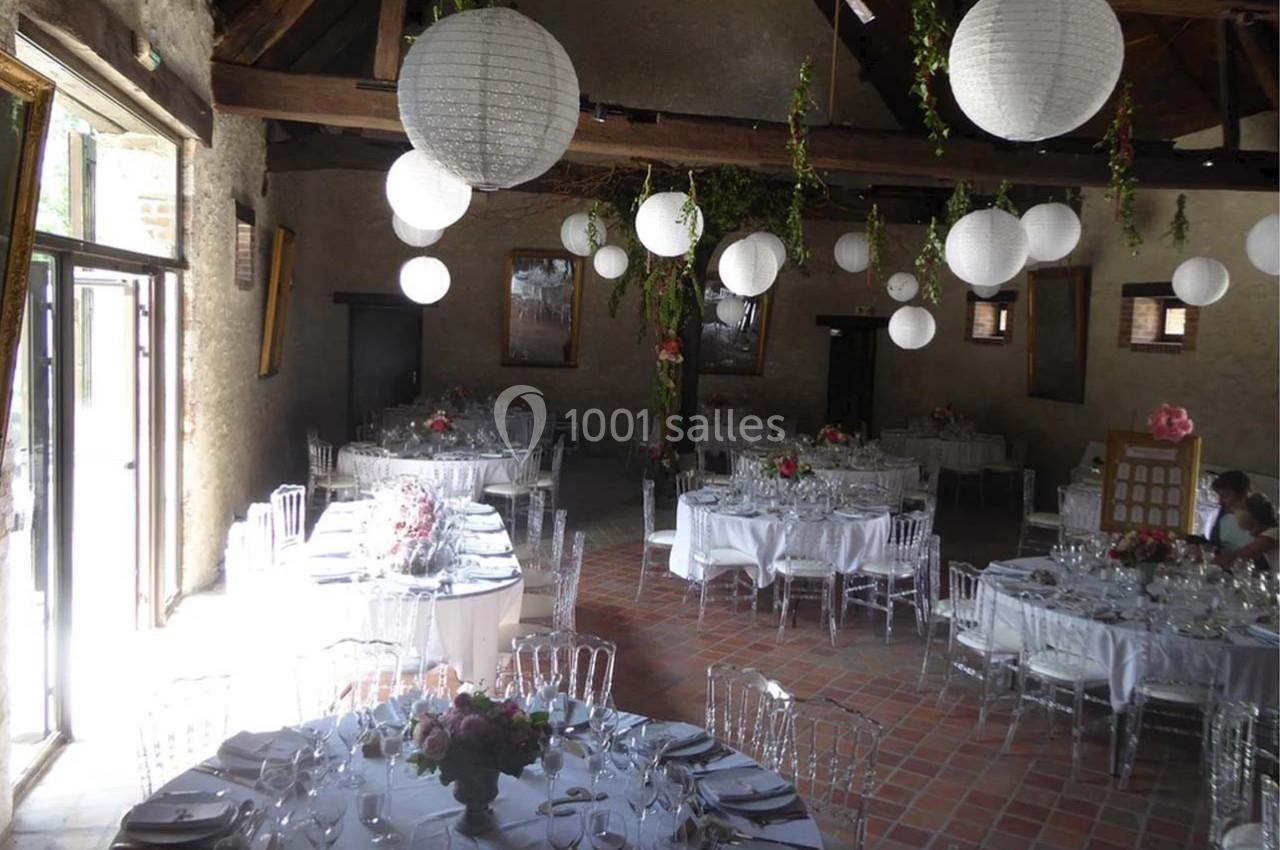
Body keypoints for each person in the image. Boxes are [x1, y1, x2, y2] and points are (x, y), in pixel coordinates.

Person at [1214, 493, 1278, 573]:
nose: (1251, 534)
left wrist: (1208, 560)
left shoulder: (1272, 534)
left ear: (1258, 521)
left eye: (1251, 527)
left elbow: (1240, 555)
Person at [1208, 470, 1253, 552]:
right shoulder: (1223, 517)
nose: (1220, 502)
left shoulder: (1263, 521)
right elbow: (1213, 546)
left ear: (1244, 495)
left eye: (1225, 495)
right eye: (1219, 496)